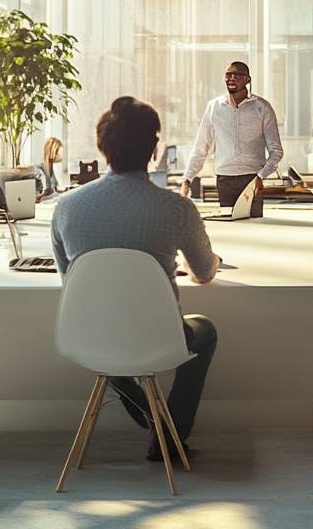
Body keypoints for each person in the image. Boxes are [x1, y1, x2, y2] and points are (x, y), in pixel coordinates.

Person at [51, 97, 218, 461]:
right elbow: (205, 273)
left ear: (102, 146)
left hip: (87, 334)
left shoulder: (67, 207)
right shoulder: (176, 208)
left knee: (108, 328)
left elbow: (72, 282)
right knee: (204, 331)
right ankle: (170, 438)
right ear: (154, 149)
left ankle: (142, 405)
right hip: (158, 335)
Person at [181, 61, 283, 219]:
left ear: (248, 79)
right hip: (225, 181)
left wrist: (261, 176)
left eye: (237, 74)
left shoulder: (262, 107)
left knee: (255, 227)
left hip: (252, 180)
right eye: (228, 75)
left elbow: (276, 151)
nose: (232, 78)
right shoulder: (214, 107)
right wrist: (187, 179)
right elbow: (201, 147)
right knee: (229, 226)